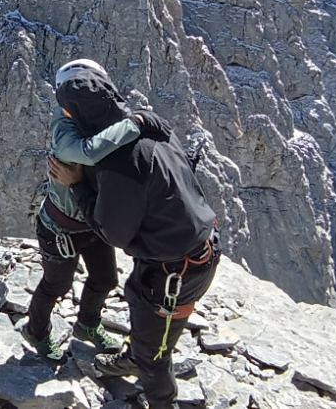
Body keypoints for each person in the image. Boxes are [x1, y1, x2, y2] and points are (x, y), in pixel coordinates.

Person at [47, 61, 218, 409]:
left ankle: (157, 393)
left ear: (74, 112)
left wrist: (77, 185)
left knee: (155, 357)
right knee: (144, 311)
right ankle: (134, 355)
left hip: (173, 271)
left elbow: (113, 233)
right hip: (189, 248)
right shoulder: (149, 123)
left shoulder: (118, 163)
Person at [21, 59, 161, 361]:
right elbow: (86, 152)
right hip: (60, 228)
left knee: (106, 279)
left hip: (91, 222)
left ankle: (87, 324)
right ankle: (36, 331)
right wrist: (135, 124)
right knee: (56, 285)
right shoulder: (63, 127)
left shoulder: (97, 119)